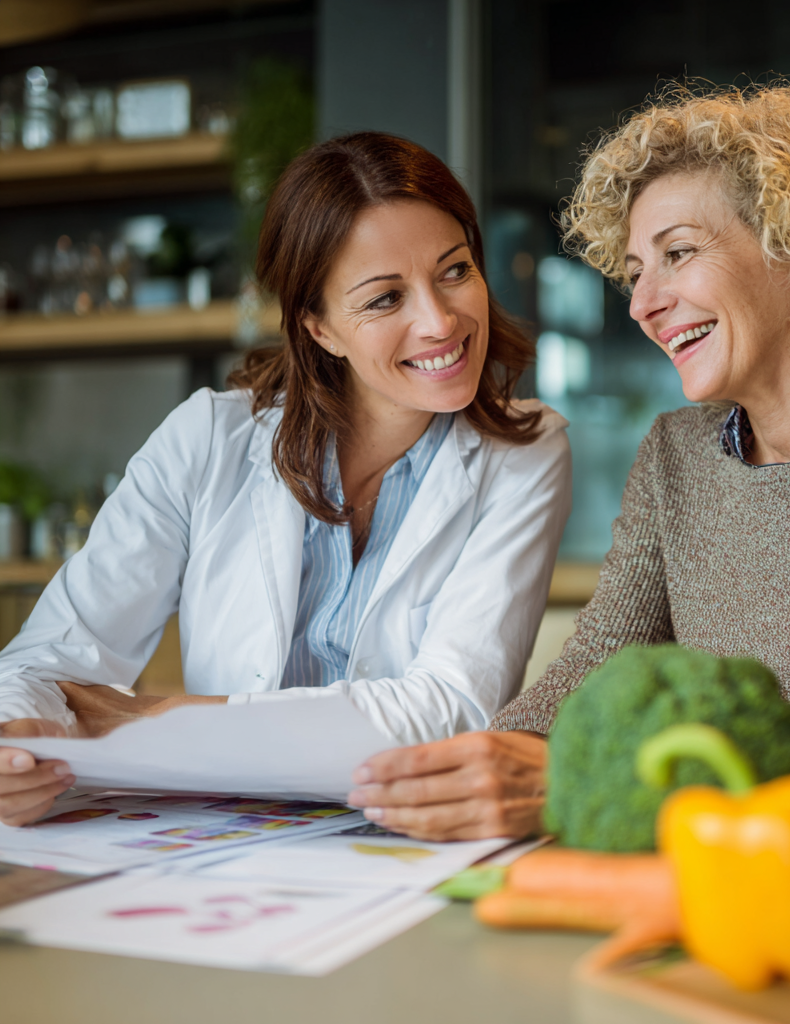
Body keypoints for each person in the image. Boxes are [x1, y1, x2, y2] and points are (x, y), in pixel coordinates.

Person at [342, 84, 790, 841]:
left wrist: (611, 769)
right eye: (637, 271)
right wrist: (496, 758)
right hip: (718, 861)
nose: (643, 304)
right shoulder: (677, 452)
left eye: (678, 253)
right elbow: (592, 670)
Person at [0, 132, 571, 827]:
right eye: (385, 299)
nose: (440, 320)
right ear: (319, 327)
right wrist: (16, 744)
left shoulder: (527, 450)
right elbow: (46, 662)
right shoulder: (208, 439)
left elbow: (448, 715)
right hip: (216, 841)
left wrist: (152, 719)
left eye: (454, 271)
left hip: (397, 842)